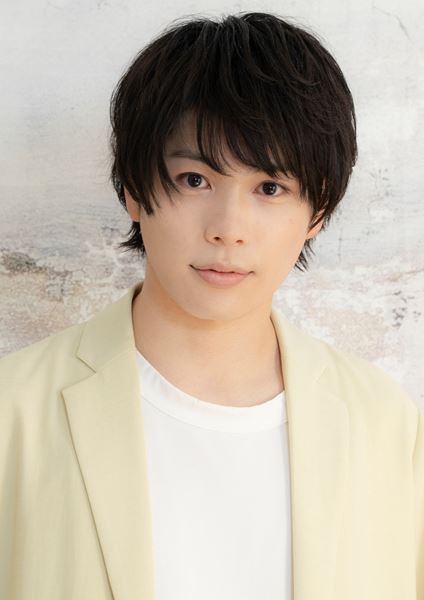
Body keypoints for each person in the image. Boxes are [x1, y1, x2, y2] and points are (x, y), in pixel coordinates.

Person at [0, 11, 423, 600]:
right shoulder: (14, 412)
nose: (228, 228)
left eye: (270, 188)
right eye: (194, 180)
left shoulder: (384, 423)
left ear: (318, 212)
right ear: (132, 189)